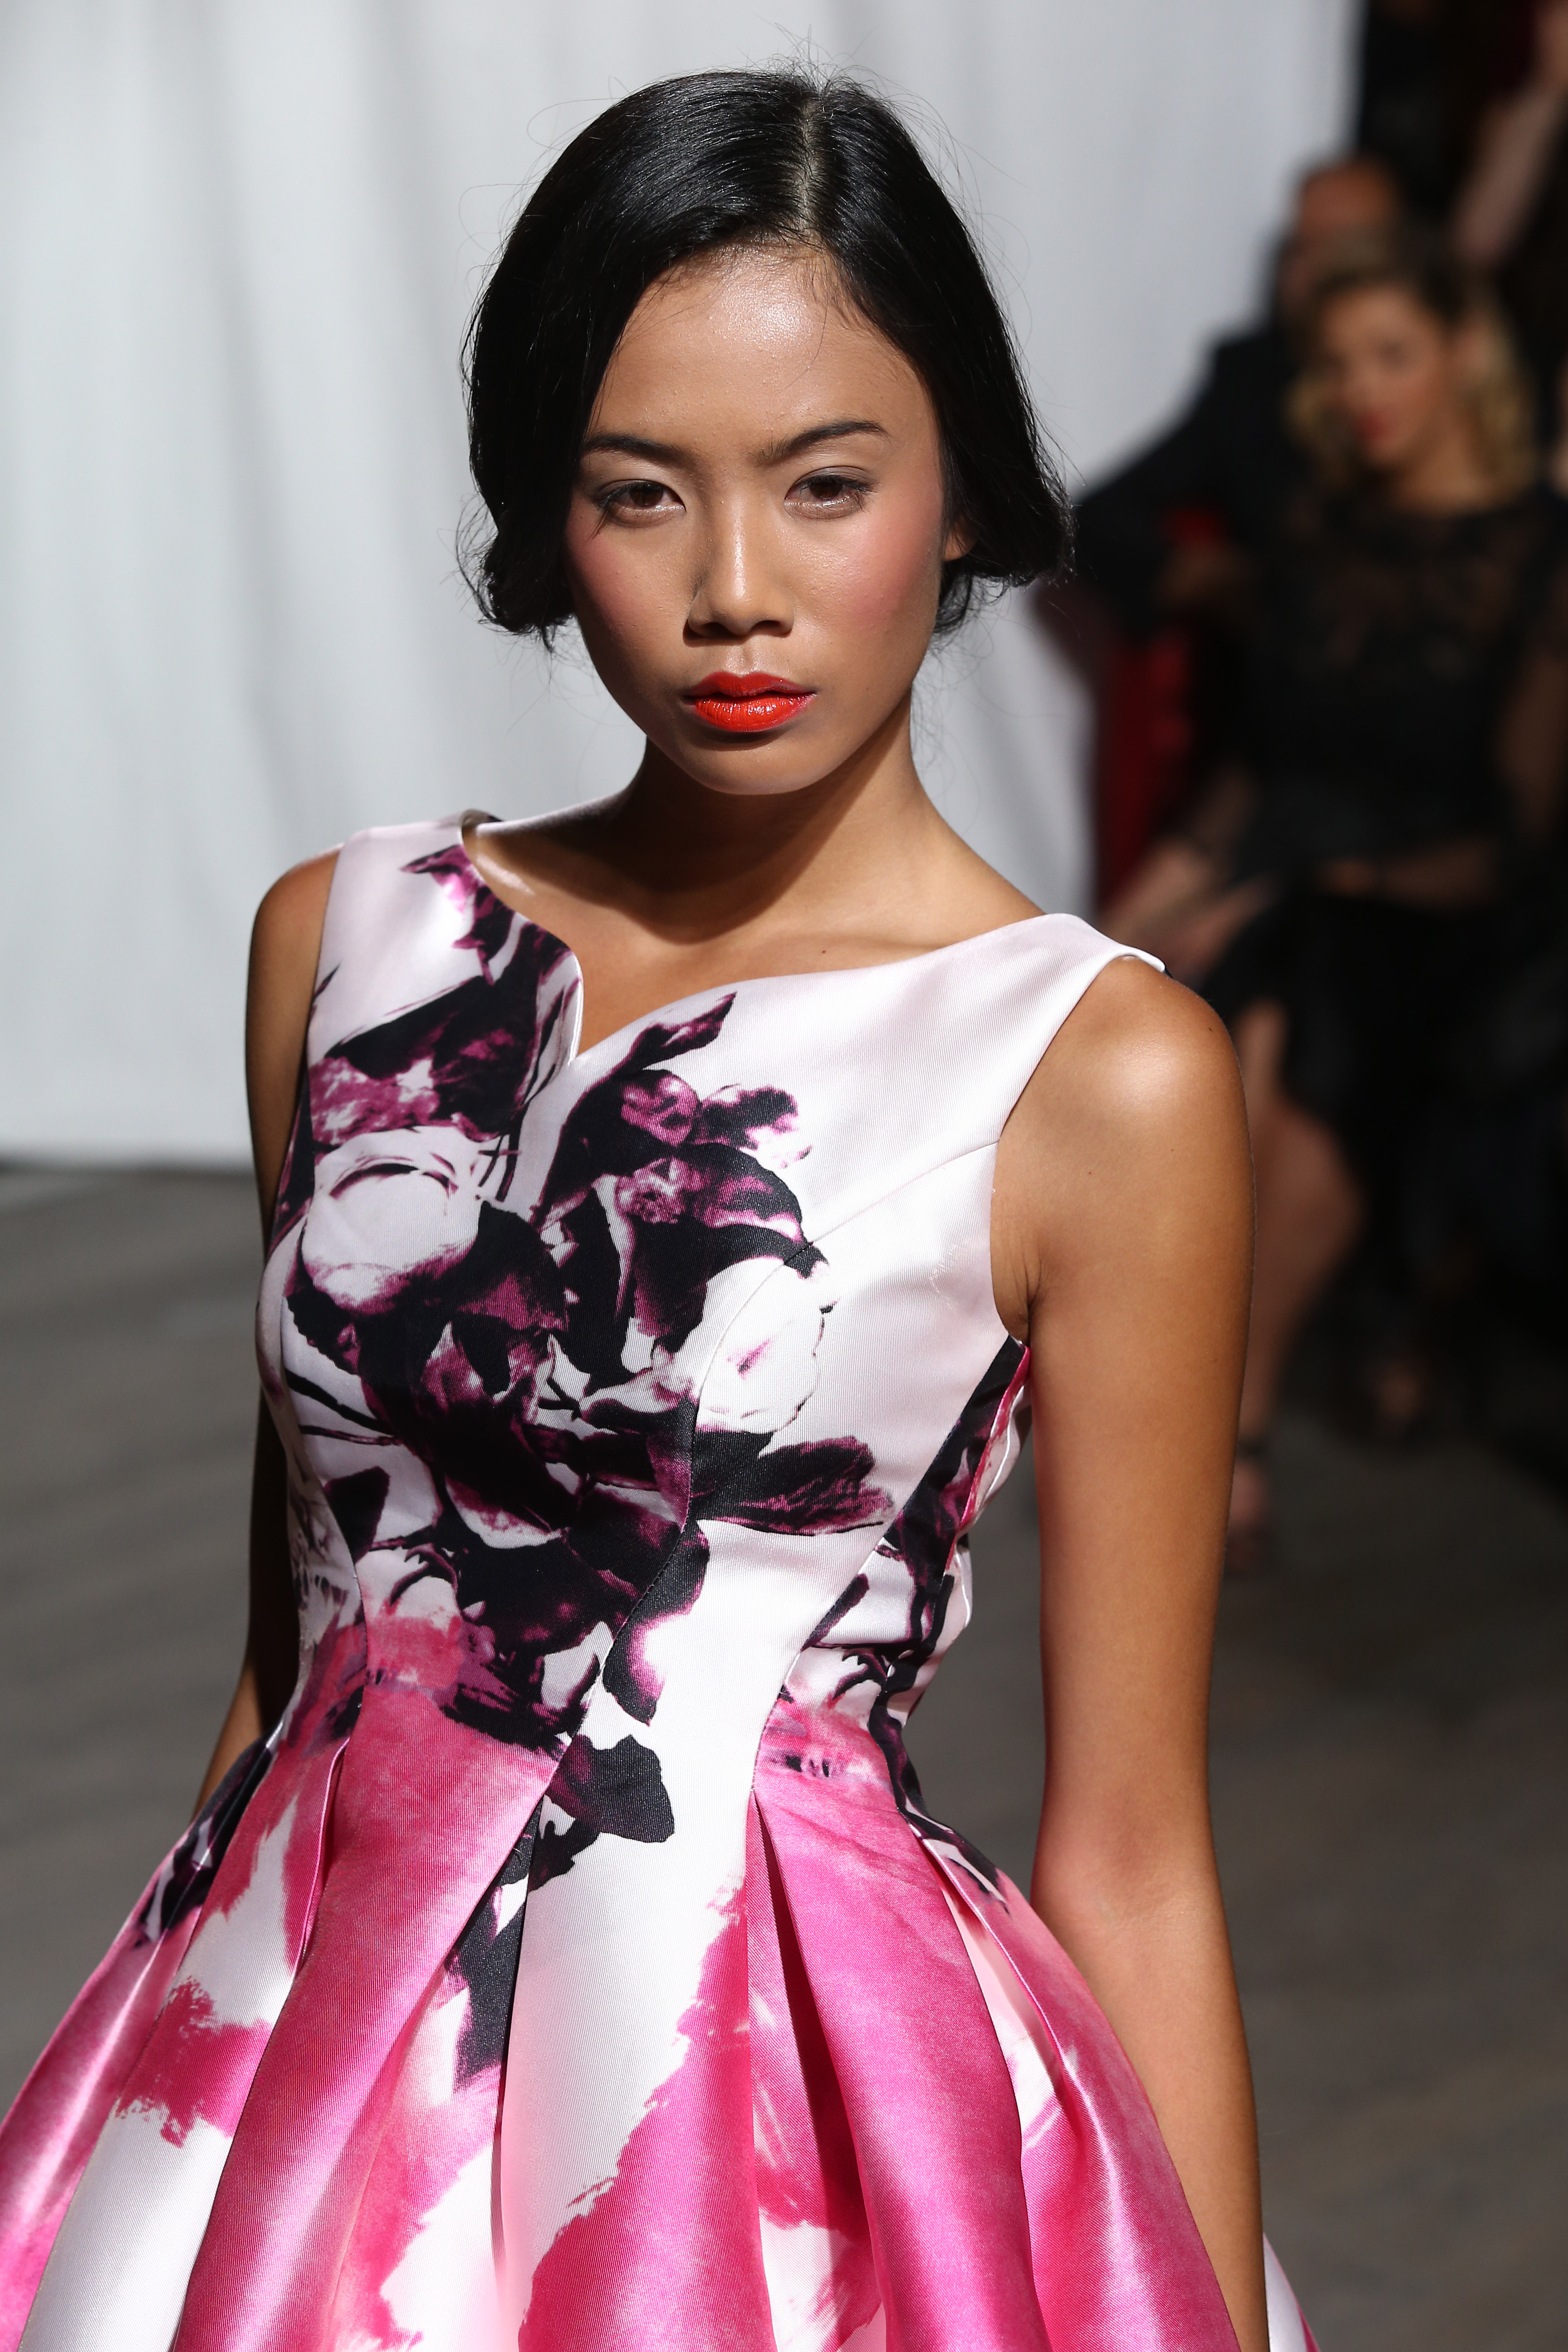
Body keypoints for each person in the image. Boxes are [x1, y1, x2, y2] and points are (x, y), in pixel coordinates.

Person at [0, 70, 1309, 2352]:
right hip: (288, 2054)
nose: (733, 590)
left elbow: (1129, 1847)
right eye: (638, 491)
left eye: (824, 484)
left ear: (961, 493)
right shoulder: (350, 945)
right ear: (547, 509)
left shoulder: (1095, 1068)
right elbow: (289, 1657)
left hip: (757, 2112)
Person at [1105, 226, 1568, 1565]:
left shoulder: (1541, 556)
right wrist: (1109, 936)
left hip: (1455, 912)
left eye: (1391, 354)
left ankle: (1221, 1426)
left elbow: (1513, 837)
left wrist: (1301, 890)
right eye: (1339, 361)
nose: (1362, 390)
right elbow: (1248, 782)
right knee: (1224, 997)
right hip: (1287, 888)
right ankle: (1209, 1427)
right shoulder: (1315, 526)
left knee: (1302, 994)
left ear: (1464, 353)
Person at [1074, 154, 1403, 641]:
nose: (1315, 272)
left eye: (1346, 250)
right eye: (1300, 250)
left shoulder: (1450, 380)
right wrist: (1224, 579)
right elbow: (1099, 520)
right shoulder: (1255, 381)